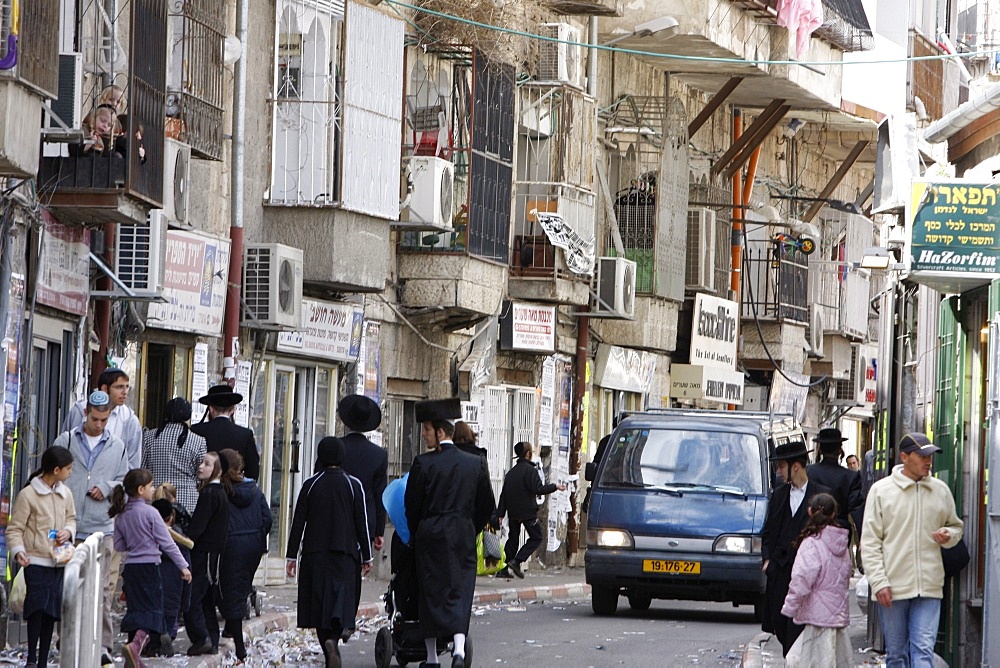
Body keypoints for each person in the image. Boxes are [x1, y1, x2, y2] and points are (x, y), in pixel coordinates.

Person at [404, 398, 495, 668]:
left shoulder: (422, 464)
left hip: (430, 534)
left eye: (427, 430)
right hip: (462, 534)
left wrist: (417, 531)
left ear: (440, 432)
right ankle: (458, 650)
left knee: (430, 591)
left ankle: (431, 658)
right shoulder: (475, 463)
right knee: (459, 588)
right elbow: (486, 504)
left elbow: (412, 506)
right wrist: (470, 527)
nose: (423, 434)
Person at [861, 432, 964, 667]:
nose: (928, 461)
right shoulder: (881, 491)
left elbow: (956, 526)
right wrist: (878, 582)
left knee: (923, 651)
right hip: (893, 588)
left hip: (929, 587)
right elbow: (870, 542)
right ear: (904, 457)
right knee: (896, 654)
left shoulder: (940, 490)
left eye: (930, 456)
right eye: (922, 455)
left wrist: (949, 535)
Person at [56, 389, 131, 665]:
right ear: (86, 413)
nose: (99, 424)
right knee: (69, 587)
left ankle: (103, 644)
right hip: (69, 526)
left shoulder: (117, 445)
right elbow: (52, 472)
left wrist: (107, 487)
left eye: (104, 420)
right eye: (95, 419)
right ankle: (67, 639)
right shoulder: (66, 440)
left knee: (102, 592)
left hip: (102, 527)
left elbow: (125, 479)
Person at [286, 436, 373, 668]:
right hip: (346, 555)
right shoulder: (353, 485)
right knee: (341, 603)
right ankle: (334, 640)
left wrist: (291, 556)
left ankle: (328, 650)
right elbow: (361, 523)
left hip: (315, 554)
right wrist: (367, 556)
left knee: (318, 605)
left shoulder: (311, 484)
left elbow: (298, 523)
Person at [109, 468, 192, 667]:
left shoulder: (121, 515)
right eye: (150, 486)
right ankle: (136, 645)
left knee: (136, 609)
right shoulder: (151, 513)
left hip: (131, 568)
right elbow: (167, 543)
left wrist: (135, 541)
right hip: (149, 567)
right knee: (153, 611)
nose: (153, 489)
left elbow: (119, 545)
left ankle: (134, 659)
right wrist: (184, 566)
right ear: (140, 489)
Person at [760, 441, 833, 657]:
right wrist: (767, 560)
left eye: (781, 466)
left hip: (807, 574)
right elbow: (768, 530)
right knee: (780, 623)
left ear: (795, 467)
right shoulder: (779, 495)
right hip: (780, 572)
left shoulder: (821, 495)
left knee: (798, 630)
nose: (778, 472)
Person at [7, 446, 77, 668]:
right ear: (56, 470)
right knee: (37, 608)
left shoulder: (65, 493)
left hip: (59, 560)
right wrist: (19, 551)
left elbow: (71, 519)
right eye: (68, 469)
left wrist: (69, 531)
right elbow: (15, 528)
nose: (70, 473)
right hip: (35, 561)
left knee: (51, 612)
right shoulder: (28, 495)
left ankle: (43, 660)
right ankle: (31, 657)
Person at [780, 493, 852, 667]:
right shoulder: (842, 544)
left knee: (808, 661)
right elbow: (845, 577)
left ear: (810, 512)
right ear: (834, 513)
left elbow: (801, 578)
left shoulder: (811, 543)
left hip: (816, 617)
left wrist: (790, 607)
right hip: (837, 617)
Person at [337, 395, 388, 638]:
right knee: (354, 570)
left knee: (333, 570)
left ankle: (333, 616)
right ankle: (348, 619)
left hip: (336, 515)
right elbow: (379, 495)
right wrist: (378, 530)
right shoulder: (378, 455)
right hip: (364, 520)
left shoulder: (336, 448)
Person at [218, 448, 271, 666]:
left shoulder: (222, 491)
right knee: (240, 589)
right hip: (253, 545)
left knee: (230, 592)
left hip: (230, 545)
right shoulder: (255, 491)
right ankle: (233, 631)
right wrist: (257, 537)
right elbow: (267, 519)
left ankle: (239, 646)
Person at [492, 441, 565, 579]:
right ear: (528, 454)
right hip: (527, 512)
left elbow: (504, 495)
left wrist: (500, 513)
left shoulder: (511, 473)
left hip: (513, 512)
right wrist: (555, 486)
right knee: (536, 537)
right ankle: (517, 561)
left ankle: (504, 568)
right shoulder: (530, 471)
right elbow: (538, 489)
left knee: (513, 539)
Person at [184, 451, 232, 656]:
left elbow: (198, 527)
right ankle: (211, 639)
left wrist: (185, 539)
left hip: (204, 552)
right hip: (214, 553)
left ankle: (201, 637)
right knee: (206, 600)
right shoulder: (218, 492)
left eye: (207, 464)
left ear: (218, 470)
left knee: (192, 598)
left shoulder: (210, 494)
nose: (201, 467)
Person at [64, 368, 143, 469]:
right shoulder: (80, 411)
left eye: (127, 387)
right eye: (119, 387)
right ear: (105, 388)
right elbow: (66, 448)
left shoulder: (130, 420)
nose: (125, 392)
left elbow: (133, 461)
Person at [142, 397, 206, 515]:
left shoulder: (148, 437)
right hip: (188, 500)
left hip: (156, 497)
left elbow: (143, 468)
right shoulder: (199, 441)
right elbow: (201, 474)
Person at [150, 498, 192, 656]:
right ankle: (168, 635)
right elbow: (187, 566)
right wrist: (185, 603)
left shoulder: (149, 536)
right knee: (171, 614)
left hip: (152, 578)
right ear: (171, 518)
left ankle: (154, 641)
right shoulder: (180, 540)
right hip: (175, 585)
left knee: (152, 611)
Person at [191, 385, 260, 481]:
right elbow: (253, 471)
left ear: (211, 409)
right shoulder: (245, 434)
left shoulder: (196, 430)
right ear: (232, 410)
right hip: (234, 491)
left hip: (204, 490)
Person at [806, 428, 864, 535]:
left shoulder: (809, 471)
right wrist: (863, 536)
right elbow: (856, 509)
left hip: (812, 529)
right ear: (839, 450)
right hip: (839, 532)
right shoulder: (851, 476)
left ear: (820, 450)